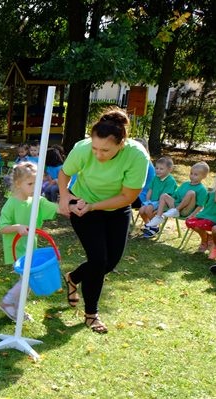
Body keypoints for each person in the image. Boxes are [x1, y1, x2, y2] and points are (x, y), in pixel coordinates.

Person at [58, 108, 149, 334]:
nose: (98, 155)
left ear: (121, 143)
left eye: (105, 150)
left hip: (117, 208)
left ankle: (73, 277)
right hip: (83, 206)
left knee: (110, 263)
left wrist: (94, 205)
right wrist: (65, 196)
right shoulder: (82, 148)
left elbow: (127, 196)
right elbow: (64, 173)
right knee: (98, 261)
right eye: (95, 148)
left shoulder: (137, 156)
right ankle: (92, 314)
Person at [0, 162, 60, 321]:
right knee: (27, 280)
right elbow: (2, 228)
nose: (35, 187)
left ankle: (17, 308)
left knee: (28, 281)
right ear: (18, 184)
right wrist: (17, 227)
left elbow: (57, 208)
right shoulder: (11, 204)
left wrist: (72, 205)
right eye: (30, 184)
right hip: (17, 248)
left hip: (30, 247)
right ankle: (8, 302)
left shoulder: (37, 200)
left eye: (37, 183)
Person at [141, 161, 209, 238]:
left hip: (186, 210)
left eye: (195, 175)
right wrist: (163, 208)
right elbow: (174, 196)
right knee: (164, 195)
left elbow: (200, 206)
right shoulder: (185, 184)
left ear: (204, 176)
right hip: (175, 207)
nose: (192, 176)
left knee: (191, 193)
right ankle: (158, 217)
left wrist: (192, 215)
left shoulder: (202, 189)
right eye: (191, 173)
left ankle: (176, 210)